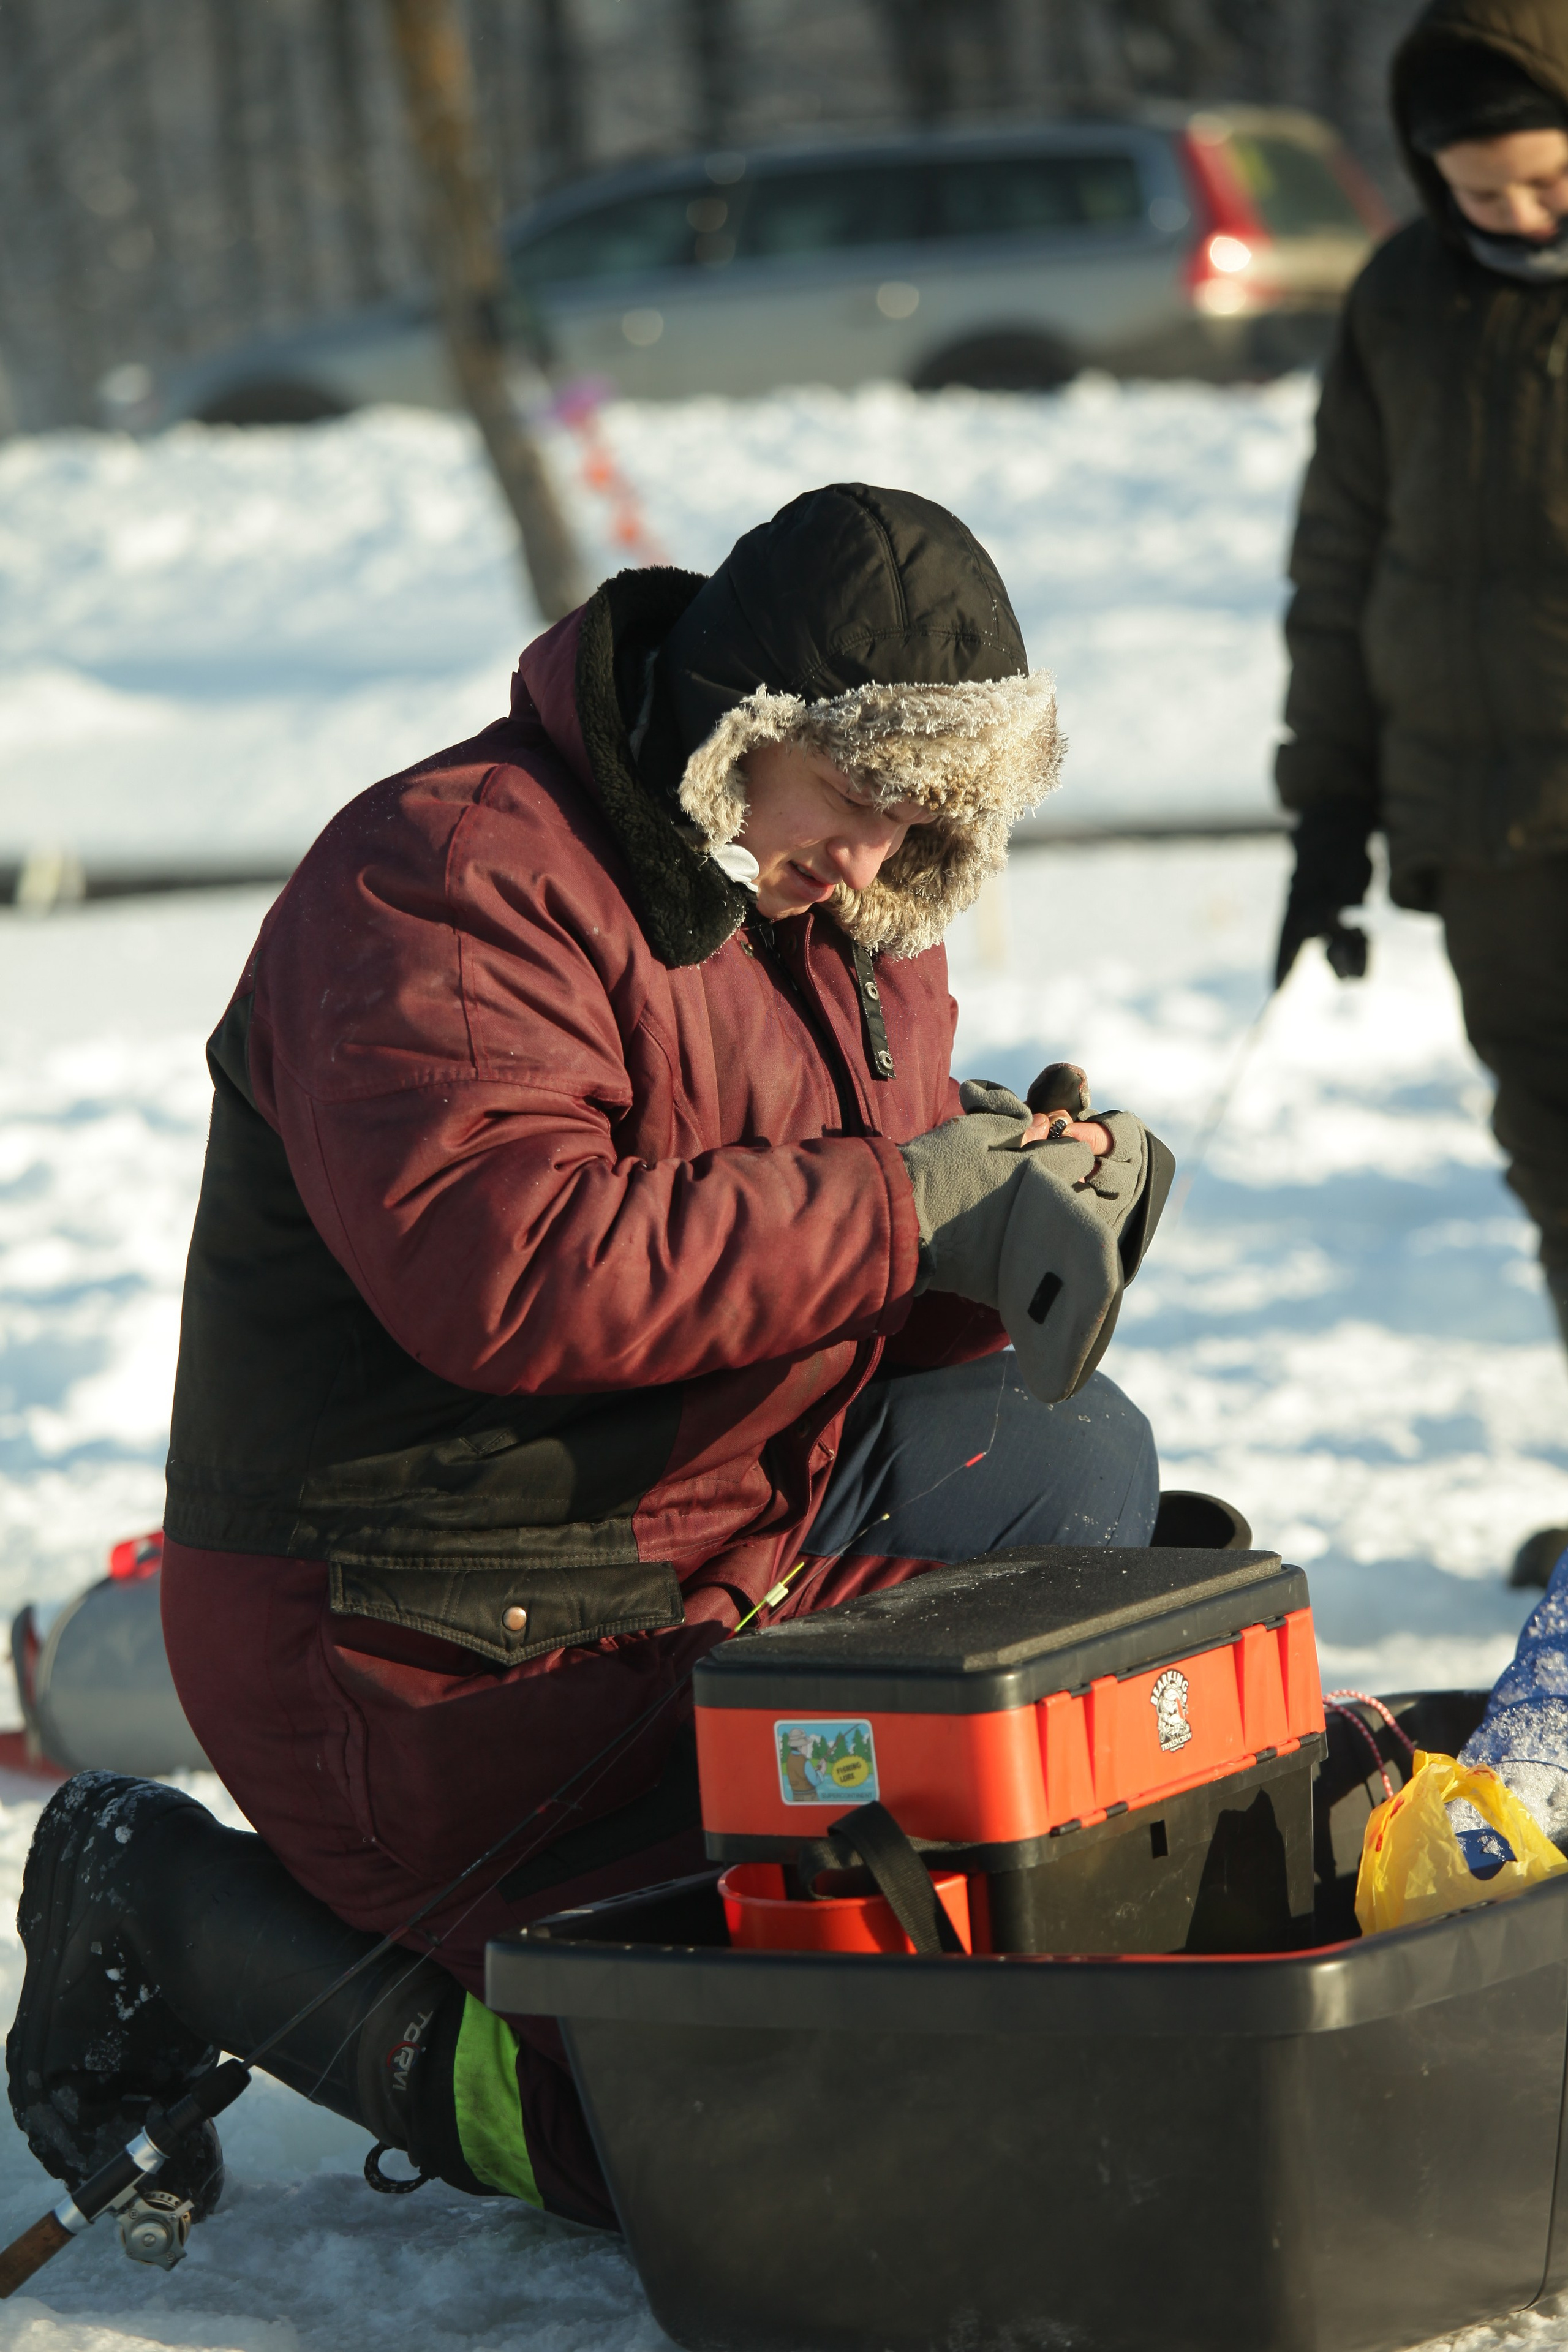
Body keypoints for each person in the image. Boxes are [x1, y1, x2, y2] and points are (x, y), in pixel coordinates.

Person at [7, 484, 1175, 2232]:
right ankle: (169, 1910)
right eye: (857, 800)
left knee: (1062, 1465)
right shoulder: (448, 878)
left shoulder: (836, 893)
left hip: (703, 1531)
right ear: (739, 729)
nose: (878, 863)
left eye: (926, 820)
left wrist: (1024, 1205)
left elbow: (825, 1218)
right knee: (705, 2139)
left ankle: (786, 1848)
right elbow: (515, 1272)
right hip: (425, 1627)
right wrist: (904, 1204)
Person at [1273, 0, 1568, 1586]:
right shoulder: (1402, 300)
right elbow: (1341, 563)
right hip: (1483, 826)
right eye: (1487, 190)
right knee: (1559, 1165)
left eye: (1549, 179)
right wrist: (1329, 807)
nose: (1524, 217)